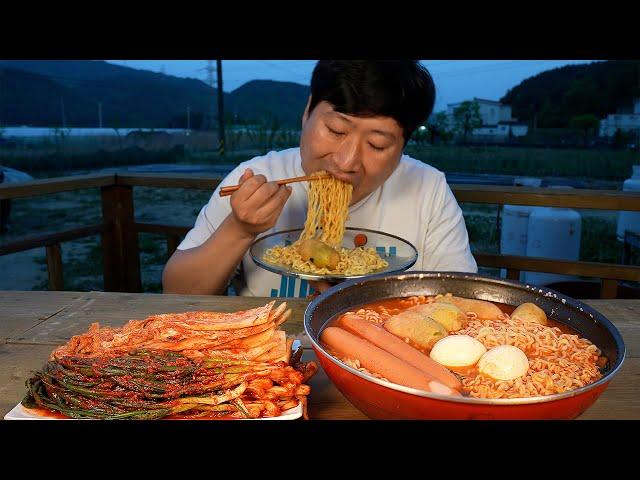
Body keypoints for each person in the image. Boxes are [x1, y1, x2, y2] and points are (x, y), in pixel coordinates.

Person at [162, 60, 477, 298]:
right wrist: (240, 228)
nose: (347, 160)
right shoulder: (258, 177)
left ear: (403, 145)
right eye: (336, 131)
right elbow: (177, 293)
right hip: (267, 358)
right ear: (307, 112)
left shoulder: (428, 189)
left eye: (377, 144)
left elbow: (459, 301)